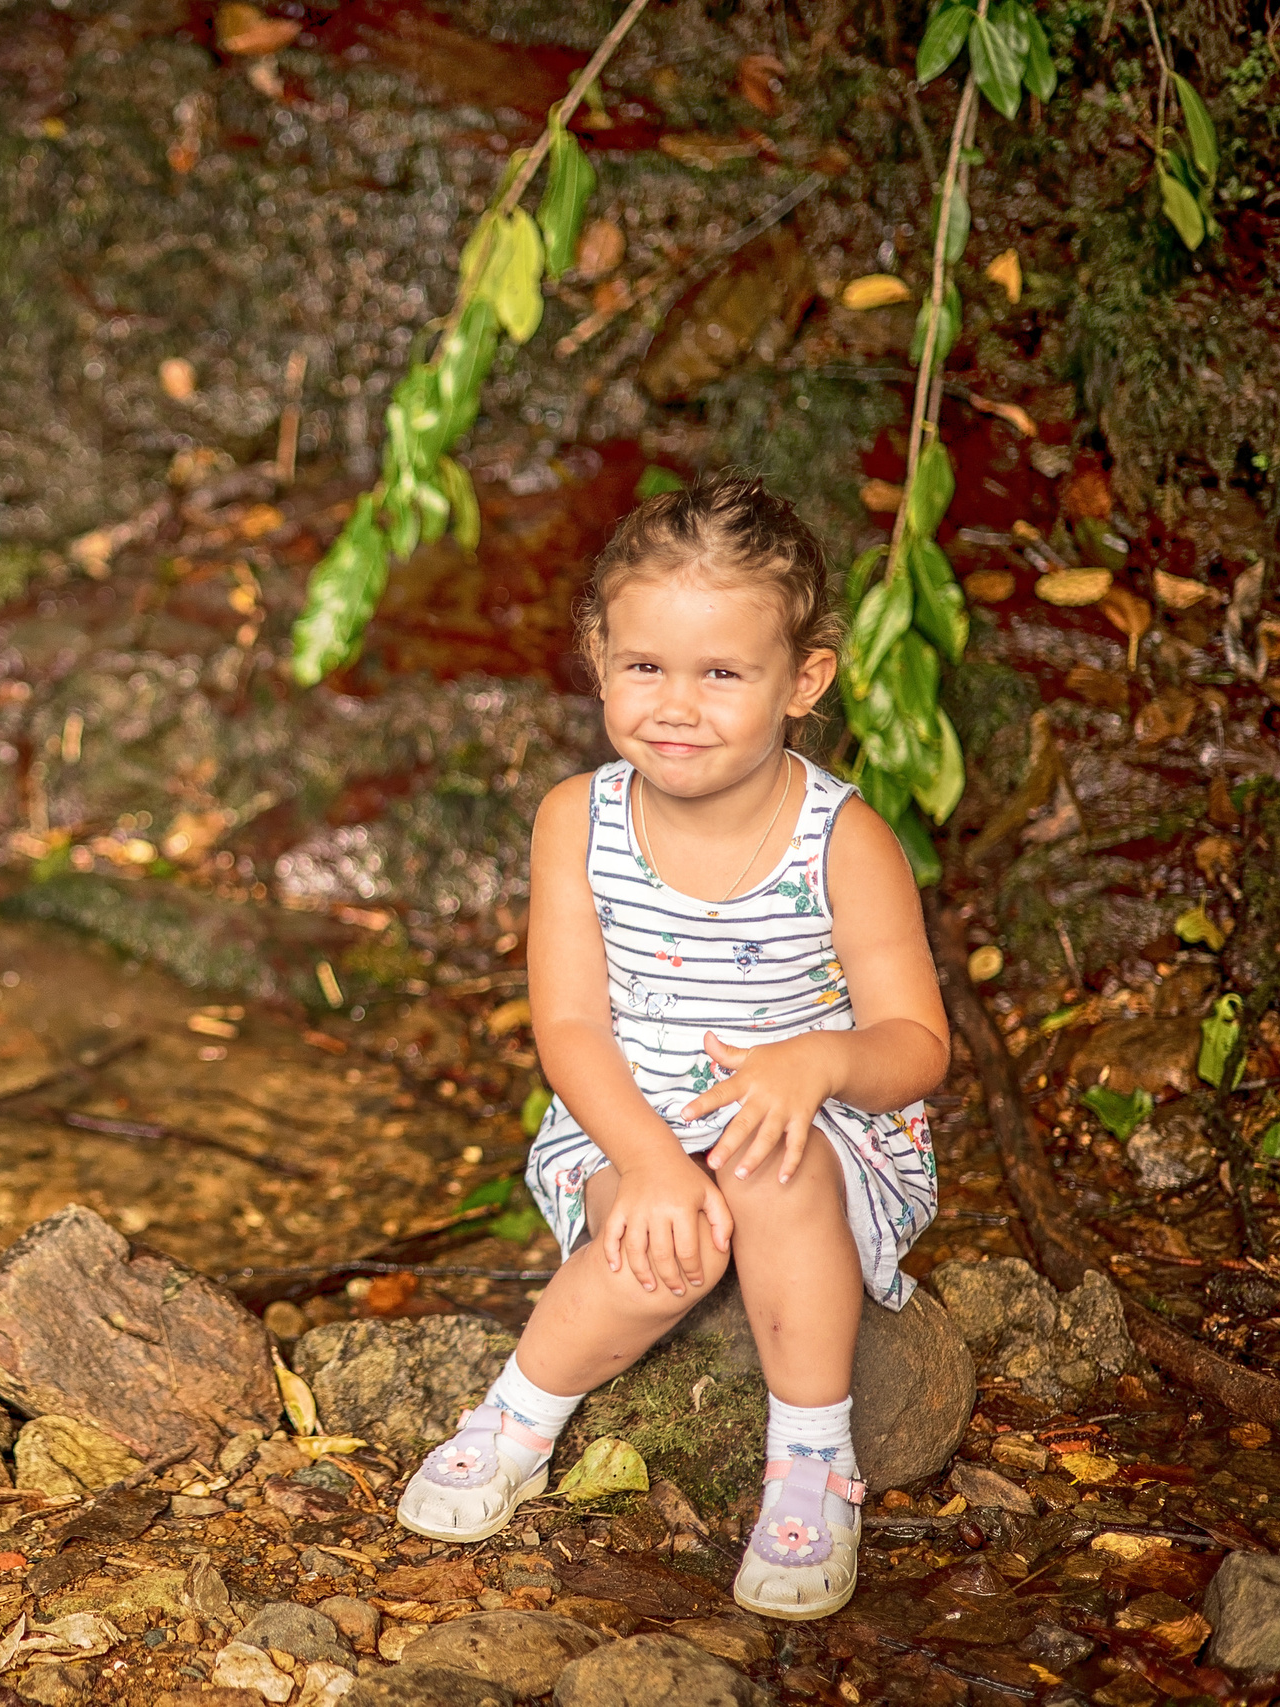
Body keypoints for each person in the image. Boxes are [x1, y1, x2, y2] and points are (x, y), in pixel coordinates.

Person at [395, 471, 949, 1622]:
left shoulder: (841, 840)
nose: (676, 705)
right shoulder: (575, 821)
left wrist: (820, 1063)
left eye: (722, 674)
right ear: (597, 656)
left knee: (766, 1168)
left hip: (817, 1126)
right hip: (620, 1117)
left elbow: (914, 1044)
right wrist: (644, 1160)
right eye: (644, 666)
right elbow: (569, 1027)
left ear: (802, 683)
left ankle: (810, 1458)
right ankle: (519, 1415)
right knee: (675, 1243)